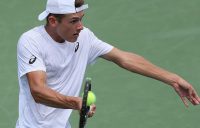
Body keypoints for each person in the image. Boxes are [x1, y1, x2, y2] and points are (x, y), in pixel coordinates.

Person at [16, 0, 200, 127]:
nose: (80, 26)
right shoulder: (31, 42)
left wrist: (172, 79)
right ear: (53, 21)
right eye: (73, 21)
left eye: (81, 18)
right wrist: (76, 103)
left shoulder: (84, 37)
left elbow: (124, 58)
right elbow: (38, 91)